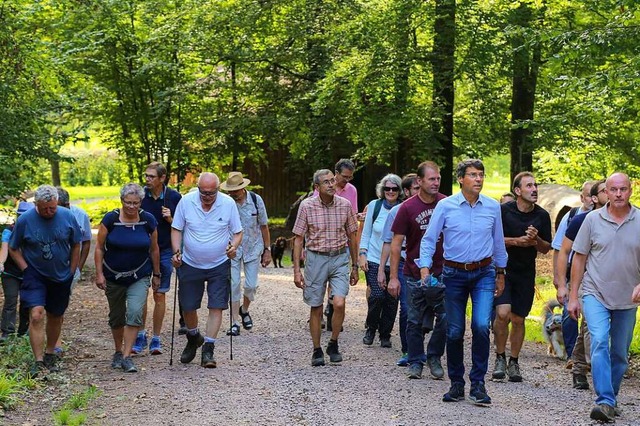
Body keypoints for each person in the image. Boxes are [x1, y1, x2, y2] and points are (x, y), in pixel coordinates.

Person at [418, 159, 507, 406]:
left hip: (484, 273)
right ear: (460, 179)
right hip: (454, 274)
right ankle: (457, 383)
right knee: (454, 330)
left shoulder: (492, 207)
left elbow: (498, 241)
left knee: (480, 325)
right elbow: (429, 239)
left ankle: (478, 383)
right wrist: (425, 268)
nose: (478, 179)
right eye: (472, 175)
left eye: (481, 175)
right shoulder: (445, 206)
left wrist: (501, 272)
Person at [568, 172, 640, 422]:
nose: (619, 194)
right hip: (594, 291)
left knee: (619, 352)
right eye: (614, 190)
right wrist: (573, 296)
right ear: (605, 193)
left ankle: (612, 396)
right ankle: (605, 400)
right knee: (598, 340)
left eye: (623, 189)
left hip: (628, 298)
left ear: (631, 191)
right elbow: (579, 257)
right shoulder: (592, 220)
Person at [9, 185, 82, 377]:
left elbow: (76, 244)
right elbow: (13, 247)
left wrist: (72, 269)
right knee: (36, 315)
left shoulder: (67, 216)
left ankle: (50, 353)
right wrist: (25, 268)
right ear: (36, 205)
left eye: (53, 208)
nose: (49, 212)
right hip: (35, 275)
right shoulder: (25, 220)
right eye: (44, 209)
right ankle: (38, 360)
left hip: (61, 274)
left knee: (55, 315)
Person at [171, 172, 243, 368]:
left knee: (217, 305)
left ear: (218, 190)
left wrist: (233, 247)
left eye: (211, 193)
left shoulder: (228, 204)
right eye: (204, 193)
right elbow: (177, 228)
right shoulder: (186, 202)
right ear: (198, 188)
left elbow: (237, 232)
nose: (207, 197)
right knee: (187, 306)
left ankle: (209, 348)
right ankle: (193, 337)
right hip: (190, 262)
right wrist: (177, 252)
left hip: (219, 263)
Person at [292, 169, 359, 366]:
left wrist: (355, 266)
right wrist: (296, 270)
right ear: (316, 187)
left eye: (332, 181)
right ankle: (317, 349)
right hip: (316, 259)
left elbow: (352, 236)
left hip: (339, 257)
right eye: (326, 182)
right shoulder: (307, 206)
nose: (331, 185)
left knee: (339, 303)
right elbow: (298, 239)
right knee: (316, 306)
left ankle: (333, 342)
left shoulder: (345, 205)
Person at [388, 162, 447, 380]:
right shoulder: (407, 208)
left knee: (446, 317)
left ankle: (433, 355)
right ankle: (415, 360)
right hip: (412, 272)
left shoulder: (446, 203)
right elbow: (396, 243)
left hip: (442, 271)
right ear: (419, 181)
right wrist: (393, 277)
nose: (436, 182)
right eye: (431, 179)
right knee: (413, 319)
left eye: (438, 178)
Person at [94, 183, 161, 373]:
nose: (131, 207)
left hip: (139, 275)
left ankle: (126, 355)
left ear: (141, 202)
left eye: (136, 203)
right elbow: (99, 247)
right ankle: (117, 351)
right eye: (128, 202)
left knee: (134, 312)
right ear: (121, 200)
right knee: (116, 317)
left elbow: (154, 249)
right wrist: (99, 274)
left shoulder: (148, 220)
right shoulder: (111, 219)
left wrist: (156, 274)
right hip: (113, 275)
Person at [492, 172, 551, 382]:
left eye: (535, 185)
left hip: (525, 273)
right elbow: (492, 239)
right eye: (529, 186)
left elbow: (546, 249)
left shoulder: (542, 216)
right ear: (517, 191)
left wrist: (536, 239)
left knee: (518, 319)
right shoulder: (502, 211)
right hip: (503, 270)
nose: (534, 189)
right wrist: (517, 241)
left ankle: (514, 362)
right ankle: (500, 357)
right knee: (502, 314)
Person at [555, 179, 607, 390]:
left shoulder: (624, 219)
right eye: (606, 190)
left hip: (611, 282)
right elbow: (563, 251)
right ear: (594, 198)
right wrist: (562, 284)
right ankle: (598, 370)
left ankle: (578, 367)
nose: (612, 194)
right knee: (593, 328)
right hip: (585, 281)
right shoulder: (581, 220)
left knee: (588, 325)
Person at [136, 162, 183, 355]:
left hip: (164, 250)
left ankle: (156, 338)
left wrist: (171, 219)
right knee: (140, 295)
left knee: (159, 294)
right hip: (142, 251)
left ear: (162, 178)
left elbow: (184, 226)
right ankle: (140, 334)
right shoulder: (140, 197)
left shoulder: (174, 197)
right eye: (146, 176)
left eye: (151, 176)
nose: (147, 179)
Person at [220, 171, 272, 336]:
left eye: (234, 190)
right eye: (230, 190)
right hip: (232, 250)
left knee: (251, 285)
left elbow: (264, 226)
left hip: (253, 247)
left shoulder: (256, 200)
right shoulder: (226, 203)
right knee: (234, 284)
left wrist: (267, 250)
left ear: (243, 188)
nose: (232, 193)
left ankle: (244, 309)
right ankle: (234, 322)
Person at [379, 174, 420, 366]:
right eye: (416, 189)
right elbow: (389, 243)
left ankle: (426, 349)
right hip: (405, 264)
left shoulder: (436, 208)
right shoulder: (397, 212)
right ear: (407, 191)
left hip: (429, 265)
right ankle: (408, 350)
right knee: (406, 309)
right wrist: (383, 270)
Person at [359, 174, 403, 348]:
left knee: (392, 300)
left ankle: (385, 334)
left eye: (394, 189)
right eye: (387, 188)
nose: (390, 192)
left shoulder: (403, 208)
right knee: (377, 296)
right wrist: (362, 254)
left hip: (396, 261)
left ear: (399, 191)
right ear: (382, 190)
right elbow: (366, 232)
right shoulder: (374, 206)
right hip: (374, 258)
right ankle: (371, 327)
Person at [552, 180, 594, 359]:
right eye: (588, 196)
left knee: (590, 320)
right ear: (582, 197)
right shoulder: (572, 216)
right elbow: (559, 248)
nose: (591, 200)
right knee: (570, 313)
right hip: (572, 272)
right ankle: (571, 354)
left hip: (593, 274)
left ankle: (584, 357)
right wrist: (558, 278)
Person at [318, 159, 358, 330]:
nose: (346, 181)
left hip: (342, 244)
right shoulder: (324, 187)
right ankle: (318, 314)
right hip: (322, 243)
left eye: (350, 177)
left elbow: (353, 217)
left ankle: (333, 308)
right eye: (344, 177)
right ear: (336, 173)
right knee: (320, 282)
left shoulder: (352, 191)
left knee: (336, 281)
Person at [55, 187, 93, 355]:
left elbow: (86, 242)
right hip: (51, 266)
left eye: (57, 206)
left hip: (70, 267)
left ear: (67, 204)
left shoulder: (80, 215)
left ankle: (55, 336)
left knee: (61, 302)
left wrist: (79, 266)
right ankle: (55, 340)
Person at [0, 202, 34, 341]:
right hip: (10, 272)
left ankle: (23, 332)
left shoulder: (36, 229)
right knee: (11, 300)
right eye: (20, 215)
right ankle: (7, 333)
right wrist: (1, 263)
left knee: (27, 302)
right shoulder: (9, 230)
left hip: (29, 272)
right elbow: (5, 249)